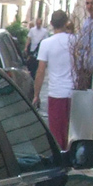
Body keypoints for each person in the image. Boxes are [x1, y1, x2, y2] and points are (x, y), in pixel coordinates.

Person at [32, 9, 74, 150]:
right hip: (73, 92)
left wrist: (36, 94)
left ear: (51, 24)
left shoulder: (46, 44)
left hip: (56, 93)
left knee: (57, 133)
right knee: (71, 132)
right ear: (66, 22)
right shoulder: (74, 41)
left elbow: (41, 70)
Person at [74, 0, 93, 89]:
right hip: (85, 69)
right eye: (87, 3)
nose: (90, 6)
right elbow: (81, 45)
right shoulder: (87, 23)